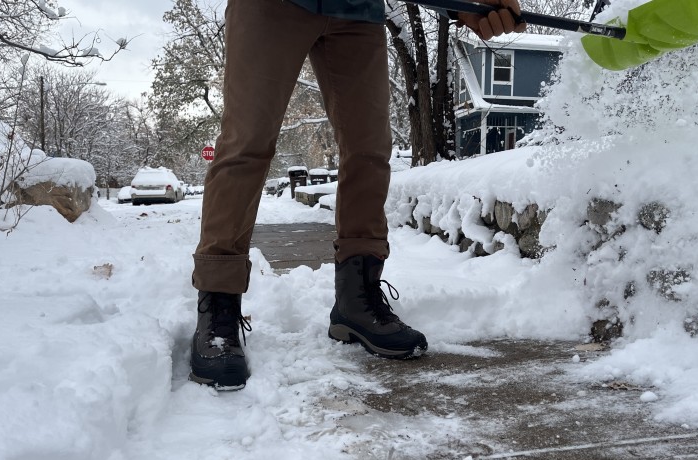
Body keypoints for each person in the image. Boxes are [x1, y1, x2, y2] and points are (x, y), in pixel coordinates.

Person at [189, 0, 527, 390]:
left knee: (368, 150)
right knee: (245, 144)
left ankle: (356, 299)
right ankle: (218, 306)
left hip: (356, 10)